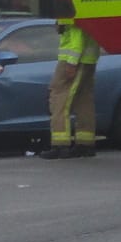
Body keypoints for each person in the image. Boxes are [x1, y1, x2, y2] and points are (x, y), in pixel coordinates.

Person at [41, 11, 101, 159]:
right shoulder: (81, 6)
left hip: (73, 61)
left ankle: (60, 145)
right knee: (83, 101)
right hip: (87, 60)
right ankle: (85, 144)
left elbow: (77, 35)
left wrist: (71, 62)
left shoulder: (70, 8)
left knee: (59, 99)